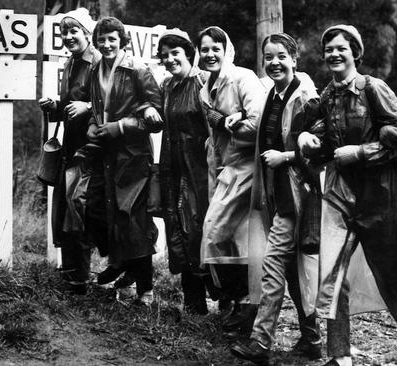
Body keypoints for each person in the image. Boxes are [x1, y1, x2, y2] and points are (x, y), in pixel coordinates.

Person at [298, 25, 397, 366]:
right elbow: (327, 141)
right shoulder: (327, 95)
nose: (333, 55)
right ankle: (339, 355)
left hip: (381, 194)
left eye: (341, 48)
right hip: (341, 194)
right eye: (328, 50)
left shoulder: (373, 87)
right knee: (332, 274)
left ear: (356, 53)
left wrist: (362, 152)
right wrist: (309, 142)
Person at [230, 33, 322, 364]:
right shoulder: (274, 94)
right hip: (279, 195)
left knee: (272, 266)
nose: (274, 63)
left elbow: (321, 147)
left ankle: (260, 343)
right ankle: (311, 338)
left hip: (301, 196)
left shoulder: (306, 97)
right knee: (295, 271)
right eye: (268, 57)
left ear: (295, 59)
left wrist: (285, 157)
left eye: (281, 56)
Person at [86, 16, 163, 305]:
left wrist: (121, 126)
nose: (106, 45)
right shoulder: (96, 69)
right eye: (102, 39)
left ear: (122, 41)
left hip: (133, 156)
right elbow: (98, 108)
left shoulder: (137, 69)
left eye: (112, 39)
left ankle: (145, 290)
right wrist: (95, 126)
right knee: (96, 209)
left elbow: (157, 115)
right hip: (105, 154)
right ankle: (121, 265)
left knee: (133, 221)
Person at [196, 26, 267, 337]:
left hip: (248, 169)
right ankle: (238, 306)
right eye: (205, 49)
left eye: (216, 48)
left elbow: (259, 124)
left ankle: (240, 302)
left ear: (227, 50)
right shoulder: (202, 89)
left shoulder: (243, 78)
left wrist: (226, 122)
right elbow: (213, 134)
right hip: (223, 171)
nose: (210, 54)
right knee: (231, 240)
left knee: (215, 232)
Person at [37, 9, 100, 295]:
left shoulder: (98, 63)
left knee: (80, 207)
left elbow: (113, 102)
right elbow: (68, 104)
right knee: (65, 205)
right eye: (65, 32)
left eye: (75, 31)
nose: (69, 37)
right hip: (71, 145)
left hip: (92, 148)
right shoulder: (71, 63)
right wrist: (54, 106)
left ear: (88, 34)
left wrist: (90, 108)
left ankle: (81, 277)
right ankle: (71, 269)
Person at [156, 29, 211, 315]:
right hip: (173, 167)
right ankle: (193, 303)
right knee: (177, 227)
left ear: (189, 54)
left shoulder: (202, 81)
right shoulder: (166, 86)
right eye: (164, 56)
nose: (170, 59)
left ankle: (225, 301)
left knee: (199, 229)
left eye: (175, 53)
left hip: (200, 169)